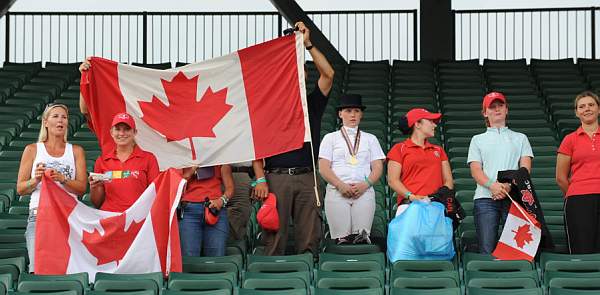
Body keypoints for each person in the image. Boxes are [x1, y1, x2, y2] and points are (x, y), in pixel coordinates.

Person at [262, 21, 334, 255]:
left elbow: (329, 74)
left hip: (306, 176)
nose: (297, 73)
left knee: (309, 236)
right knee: (275, 236)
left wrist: (308, 44)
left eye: (300, 69)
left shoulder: (311, 103)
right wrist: (259, 179)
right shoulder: (267, 106)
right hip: (276, 177)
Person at [16, 103, 88, 271]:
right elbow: (20, 188)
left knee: (66, 270)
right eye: (55, 116)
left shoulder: (76, 151)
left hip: (68, 217)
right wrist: (36, 180)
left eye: (64, 117)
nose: (60, 120)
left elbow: (81, 188)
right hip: (39, 215)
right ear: (46, 122)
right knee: (39, 269)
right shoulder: (32, 149)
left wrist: (63, 179)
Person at [467, 92, 533, 254]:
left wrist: (509, 186)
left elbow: (525, 169)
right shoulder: (477, 139)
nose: (497, 109)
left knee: (517, 249)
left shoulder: (520, 138)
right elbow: (475, 170)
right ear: (485, 113)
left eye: (500, 105)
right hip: (485, 198)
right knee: (487, 248)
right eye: (492, 107)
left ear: (506, 109)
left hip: (513, 197)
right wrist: (493, 186)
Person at [318, 94, 385, 244]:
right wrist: (340, 185)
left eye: (356, 111)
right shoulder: (330, 138)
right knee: (342, 238)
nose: (353, 114)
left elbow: (378, 167)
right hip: (337, 191)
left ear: (361, 114)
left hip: (364, 191)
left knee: (361, 237)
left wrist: (365, 184)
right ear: (340, 114)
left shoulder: (370, 139)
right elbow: (323, 167)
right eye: (348, 110)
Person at [87, 113, 160, 212]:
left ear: (135, 132)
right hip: (110, 218)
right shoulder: (102, 161)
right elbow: (97, 203)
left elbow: (155, 194)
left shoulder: (149, 159)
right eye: (117, 129)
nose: (122, 133)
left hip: (138, 219)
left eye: (126, 129)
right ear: (111, 132)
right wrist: (94, 187)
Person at [556, 91, 600, 254]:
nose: (587, 109)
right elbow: (561, 177)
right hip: (578, 199)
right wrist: (578, 194)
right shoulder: (569, 139)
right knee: (582, 247)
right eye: (582, 106)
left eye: (591, 105)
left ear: (598, 109)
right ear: (577, 112)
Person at [387, 108, 453, 207]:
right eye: (430, 121)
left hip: (435, 206)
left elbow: (448, 181)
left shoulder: (439, 150)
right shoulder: (399, 149)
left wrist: (438, 196)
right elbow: (393, 180)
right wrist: (411, 196)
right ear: (417, 124)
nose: (434, 125)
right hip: (409, 205)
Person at [179, 165, 235, 256]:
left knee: (216, 259)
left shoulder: (219, 156)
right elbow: (175, 186)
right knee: (189, 259)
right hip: (189, 211)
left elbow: (230, 188)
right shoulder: (184, 156)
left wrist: (221, 201)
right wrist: (190, 172)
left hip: (214, 210)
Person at [228, 160, 269, 242]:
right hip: (214, 173)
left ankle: (236, 251)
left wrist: (258, 180)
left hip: (244, 173)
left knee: (239, 216)